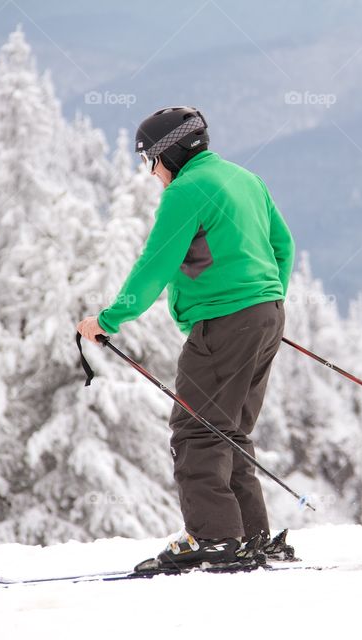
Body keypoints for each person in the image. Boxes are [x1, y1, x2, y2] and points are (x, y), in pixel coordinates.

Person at [76, 106, 294, 568]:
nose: (151, 172)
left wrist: (109, 320)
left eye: (150, 160)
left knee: (196, 429)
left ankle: (215, 538)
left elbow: (156, 264)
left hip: (225, 322)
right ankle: (251, 537)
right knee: (229, 429)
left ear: (168, 154)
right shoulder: (245, 178)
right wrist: (265, 299)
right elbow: (283, 246)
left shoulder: (186, 191)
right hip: (267, 316)